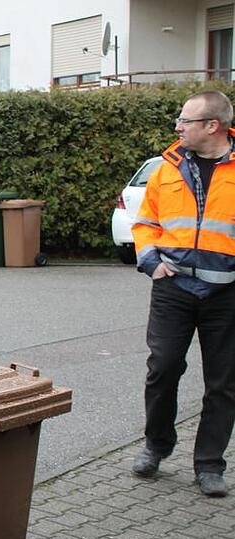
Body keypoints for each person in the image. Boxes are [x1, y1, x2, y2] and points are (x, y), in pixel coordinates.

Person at [130, 90, 235, 497]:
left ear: (212, 125)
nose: (177, 127)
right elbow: (145, 222)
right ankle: (156, 445)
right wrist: (151, 261)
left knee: (224, 383)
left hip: (226, 295)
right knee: (163, 368)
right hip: (173, 287)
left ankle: (209, 465)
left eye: (185, 120)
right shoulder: (167, 168)